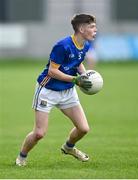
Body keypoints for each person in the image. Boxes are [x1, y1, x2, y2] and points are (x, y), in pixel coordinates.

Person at [15, 13, 97, 166]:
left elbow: (77, 62)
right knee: (39, 133)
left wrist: (85, 76)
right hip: (48, 90)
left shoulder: (85, 45)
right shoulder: (63, 46)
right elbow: (52, 71)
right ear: (81, 28)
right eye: (92, 27)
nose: (95, 30)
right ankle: (22, 157)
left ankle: (68, 147)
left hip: (67, 91)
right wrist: (75, 80)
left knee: (83, 128)